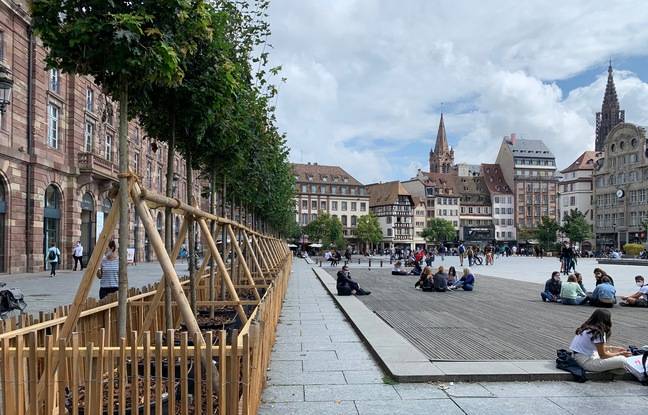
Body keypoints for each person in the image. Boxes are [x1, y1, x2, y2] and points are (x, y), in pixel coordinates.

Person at [569, 309, 631, 373]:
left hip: (578, 357)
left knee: (613, 357)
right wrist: (619, 354)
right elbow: (603, 355)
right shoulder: (598, 332)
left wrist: (614, 348)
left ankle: (610, 367)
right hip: (585, 362)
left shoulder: (587, 328)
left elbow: (598, 347)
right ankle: (611, 367)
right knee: (622, 360)